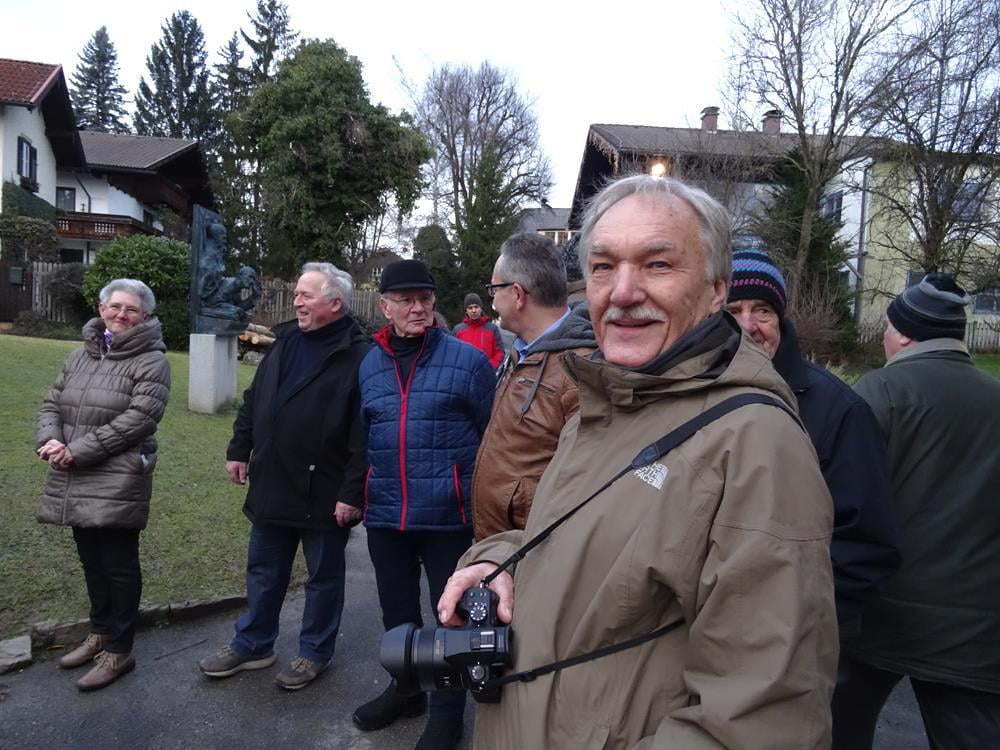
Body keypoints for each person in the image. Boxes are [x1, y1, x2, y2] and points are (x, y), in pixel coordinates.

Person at [438, 175, 838, 749]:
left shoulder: (755, 444)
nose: (622, 292)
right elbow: (576, 542)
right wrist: (500, 562)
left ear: (715, 290)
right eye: (604, 267)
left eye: (657, 264)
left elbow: (761, 724)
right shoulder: (607, 403)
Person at [833, 273, 1000, 750]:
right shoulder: (995, 398)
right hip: (976, 630)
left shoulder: (878, 393)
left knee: (836, 729)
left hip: (880, 616)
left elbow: (845, 500)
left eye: (888, 327)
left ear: (904, 334)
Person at [198, 262, 370, 691]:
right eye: (296, 294)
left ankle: (315, 652)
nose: (296, 302)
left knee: (323, 579)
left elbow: (363, 432)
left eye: (306, 295)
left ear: (334, 303)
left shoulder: (359, 355)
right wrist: (239, 449)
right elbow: (255, 399)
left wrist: (353, 492)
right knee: (263, 571)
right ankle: (254, 644)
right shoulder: (286, 341)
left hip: (325, 490)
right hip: (272, 480)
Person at [353, 260, 496, 750]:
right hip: (386, 514)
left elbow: (493, 437)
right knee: (397, 613)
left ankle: (447, 713)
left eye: (425, 299)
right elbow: (364, 434)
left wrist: (477, 502)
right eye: (406, 300)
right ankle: (406, 689)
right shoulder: (369, 363)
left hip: (448, 515)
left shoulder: (468, 362)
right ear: (385, 306)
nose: (418, 308)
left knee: (450, 617)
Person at [725, 249, 899, 632]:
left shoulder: (839, 410)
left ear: (780, 319)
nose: (748, 325)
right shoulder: (687, 394)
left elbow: (864, 547)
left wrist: (795, 621)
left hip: (789, 634)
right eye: (733, 310)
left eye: (763, 311)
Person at [36, 278, 171, 691]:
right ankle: (99, 631)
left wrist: (78, 450)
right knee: (91, 560)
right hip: (75, 470)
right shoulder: (81, 354)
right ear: (101, 308)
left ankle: (119, 649)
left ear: (145, 316)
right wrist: (51, 440)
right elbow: (52, 402)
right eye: (115, 306)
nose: (121, 315)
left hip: (118, 475)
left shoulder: (152, 361)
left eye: (131, 310)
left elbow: (140, 419)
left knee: (118, 564)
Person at [472, 232, 597, 540]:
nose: (492, 300)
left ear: (517, 294)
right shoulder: (522, 350)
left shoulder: (580, 368)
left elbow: (583, 486)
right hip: (500, 545)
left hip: (530, 549)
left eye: (494, 289)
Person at [453, 292, 504, 368]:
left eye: (476, 307)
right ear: (466, 310)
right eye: (470, 308)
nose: (474, 310)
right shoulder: (458, 330)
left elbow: (499, 353)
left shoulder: (492, 329)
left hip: (487, 373)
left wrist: (490, 367)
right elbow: (453, 353)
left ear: (481, 308)